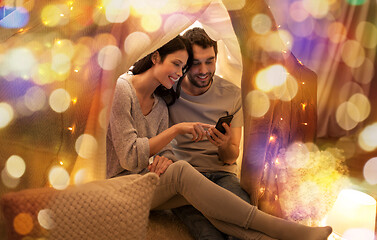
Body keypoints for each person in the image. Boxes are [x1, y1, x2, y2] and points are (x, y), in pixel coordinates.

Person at [106, 35, 332, 240]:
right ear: (155, 57)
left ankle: (275, 237)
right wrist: (176, 131)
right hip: (121, 188)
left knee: (214, 208)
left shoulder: (161, 106)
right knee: (183, 171)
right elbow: (129, 157)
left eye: (182, 66)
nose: (180, 71)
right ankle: (284, 230)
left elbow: (166, 151)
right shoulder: (122, 89)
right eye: (181, 64)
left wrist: (166, 158)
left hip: (158, 180)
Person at [168, 27, 247, 240]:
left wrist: (222, 145)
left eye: (209, 61)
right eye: (195, 63)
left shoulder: (232, 95)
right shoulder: (168, 92)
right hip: (186, 179)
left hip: (223, 176)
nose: (204, 70)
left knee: (243, 229)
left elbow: (231, 157)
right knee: (209, 235)